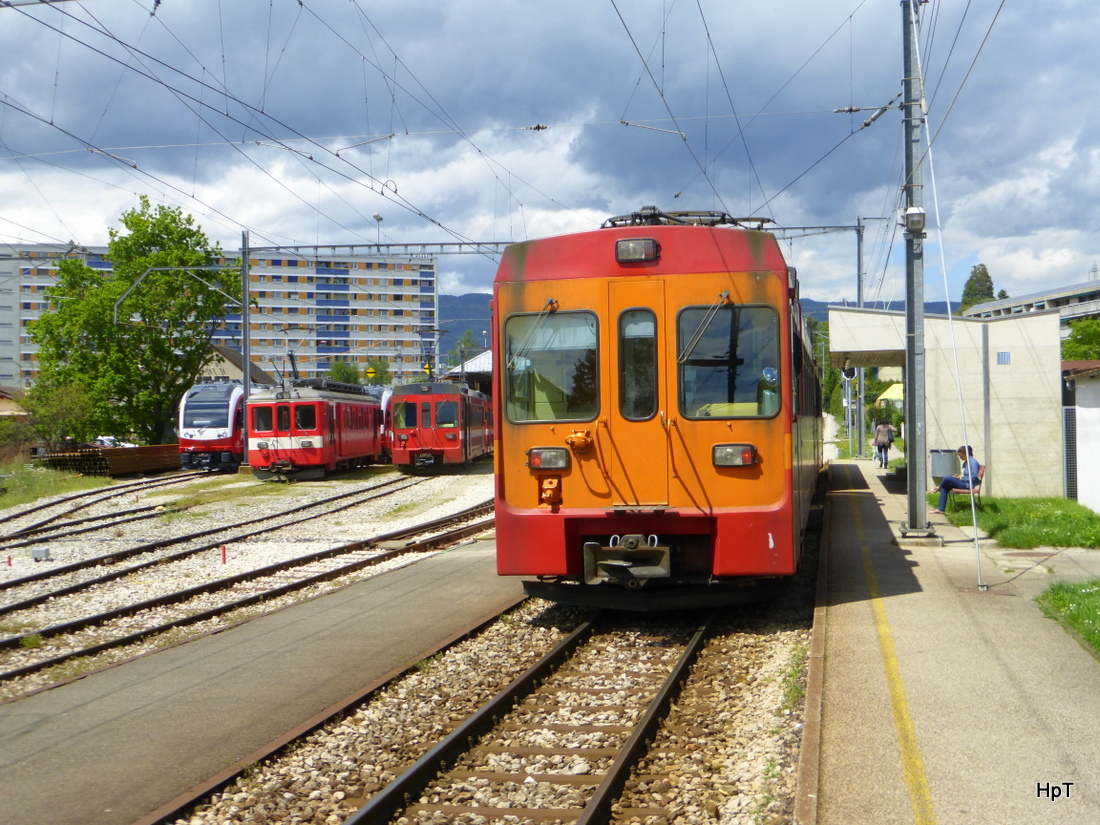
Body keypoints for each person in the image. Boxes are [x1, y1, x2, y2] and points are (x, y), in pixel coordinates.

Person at [932, 445, 981, 514]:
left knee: (947, 478)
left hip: (968, 484)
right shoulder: (967, 462)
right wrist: (959, 476)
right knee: (945, 486)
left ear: (966, 454)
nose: (960, 458)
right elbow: (967, 474)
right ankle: (941, 509)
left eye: (961, 456)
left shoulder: (972, 462)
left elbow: (974, 476)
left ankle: (938, 488)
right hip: (964, 482)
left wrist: (962, 477)